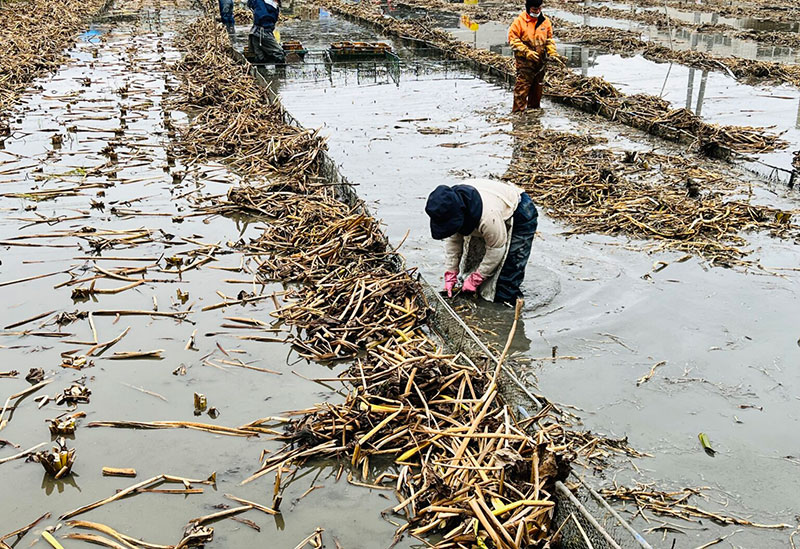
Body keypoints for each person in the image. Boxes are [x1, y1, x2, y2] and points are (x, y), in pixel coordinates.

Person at [425, 179, 538, 305]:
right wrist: (451, 272)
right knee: (473, 269)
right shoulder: (451, 205)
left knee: (507, 279)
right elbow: (454, 240)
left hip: (520, 211)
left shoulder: (488, 216)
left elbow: (496, 249)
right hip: (489, 208)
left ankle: (505, 312)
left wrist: (476, 278)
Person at [507, 0, 558, 112]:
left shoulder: (545, 22)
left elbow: (549, 39)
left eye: (539, 8)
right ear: (528, 8)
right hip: (525, 62)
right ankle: (518, 113)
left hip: (540, 62)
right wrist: (526, 52)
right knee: (522, 88)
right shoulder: (519, 22)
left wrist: (552, 52)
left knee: (537, 88)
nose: (537, 11)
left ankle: (534, 112)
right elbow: (513, 40)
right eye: (535, 9)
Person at [247, 0, 286, 64]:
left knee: (260, 56)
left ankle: (260, 72)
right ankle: (280, 73)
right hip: (262, 32)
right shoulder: (268, 6)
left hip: (255, 32)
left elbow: (250, 4)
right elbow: (265, 18)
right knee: (279, 53)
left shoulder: (260, 2)